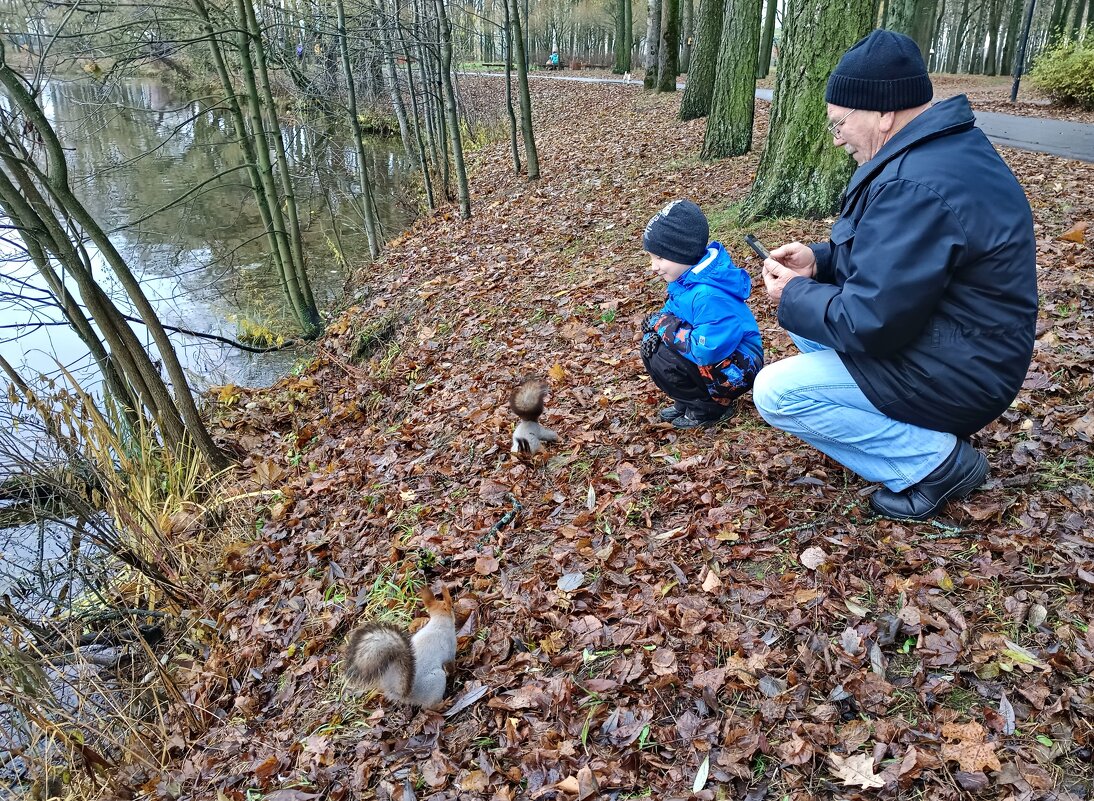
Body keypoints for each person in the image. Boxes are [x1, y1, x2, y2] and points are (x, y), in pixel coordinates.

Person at [752, 29, 1038, 521]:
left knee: (774, 393)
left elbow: (871, 321)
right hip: (963, 348)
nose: (836, 135)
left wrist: (794, 294)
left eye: (840, 122)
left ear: (884, 112)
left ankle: (934, 464)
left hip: (963, 372)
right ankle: (921, 436)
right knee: (809, 325)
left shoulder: (915, 183)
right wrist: (819, 262)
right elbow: (899, 267)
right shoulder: (938, 154)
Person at [640, 200, 764, 429]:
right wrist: (655, 329)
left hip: (739, 367)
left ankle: (710, 406)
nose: (653, 266)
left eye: (659, 258)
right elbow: (673, 313)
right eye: (651, 258)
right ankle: (688, 399)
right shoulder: (686, 282)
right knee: (654, 346)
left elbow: (706, 349)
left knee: (664, 354)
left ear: (682, 252)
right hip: (719, 361)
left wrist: (662, 326)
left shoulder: (706, 294)